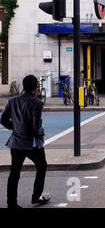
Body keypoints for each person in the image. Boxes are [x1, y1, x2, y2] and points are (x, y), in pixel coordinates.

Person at [1, 75, 50, 208]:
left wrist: (14, 127)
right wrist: (41, 133)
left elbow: (3, 120)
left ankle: (11, 203)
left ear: (23, 86)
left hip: (16, 143)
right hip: (32, 144)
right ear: (35, 88)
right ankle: (36, 197)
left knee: (14, 173)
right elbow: (36, 126)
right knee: (42, 166)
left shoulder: (12, 101)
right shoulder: (37, 103)